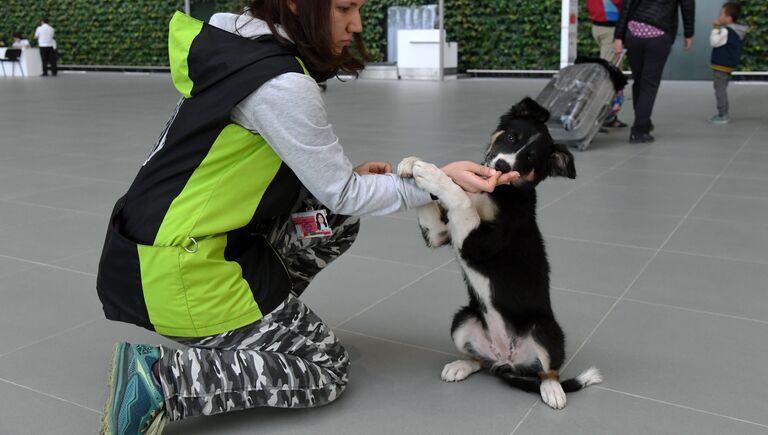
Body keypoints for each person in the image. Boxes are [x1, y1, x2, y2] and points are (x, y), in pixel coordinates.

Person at [96, 1, 518, 434]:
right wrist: (439, 182)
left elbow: (322, 191)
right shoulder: (281, 83)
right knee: (326, 369)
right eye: (343, 8)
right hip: (182, 272)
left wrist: (358, 184)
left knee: (333, 220)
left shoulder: (236, 40)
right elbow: (344, 192)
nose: (355, 26)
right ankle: (158, 382)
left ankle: (262, 330)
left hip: (157, 250)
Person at [613, 0, 695, 143]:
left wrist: (618, 36)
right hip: (659, 33)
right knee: (649, 84)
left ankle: (644, 121)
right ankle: (639, 130)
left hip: (633, 31)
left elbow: (627, 5)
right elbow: (687, 5)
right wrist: (689, 34)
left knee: (639, 81)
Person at [585, 0, 627, 129]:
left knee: (612, 72)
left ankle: (609, 116)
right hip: (610, 29)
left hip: (599, 26)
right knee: (610, 76)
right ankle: (601, 117)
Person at [709, 2, 747, 124]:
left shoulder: (726, 31)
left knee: (719, 89)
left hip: (721, 65)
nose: (719, 16)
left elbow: (714, 42)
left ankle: (723, 114)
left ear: (729, 18)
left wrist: (715, 28)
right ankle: (723, 112)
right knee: (722, 88)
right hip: (729, 65)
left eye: (721, 14)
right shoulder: (738, 31)